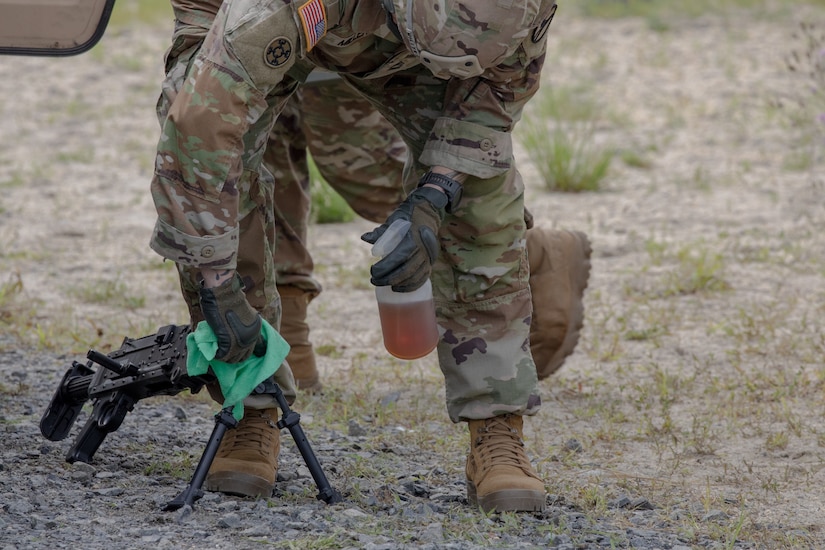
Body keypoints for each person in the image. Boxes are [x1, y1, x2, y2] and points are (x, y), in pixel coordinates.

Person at [150, 0, 587, 512]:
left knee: (471, 192)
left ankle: (496, 425)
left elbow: (496, 93)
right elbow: (199, 127)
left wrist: (437, 194)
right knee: (222, 164)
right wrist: (216, 281)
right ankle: (250, 405)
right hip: (273, 15)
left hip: (393, 39)